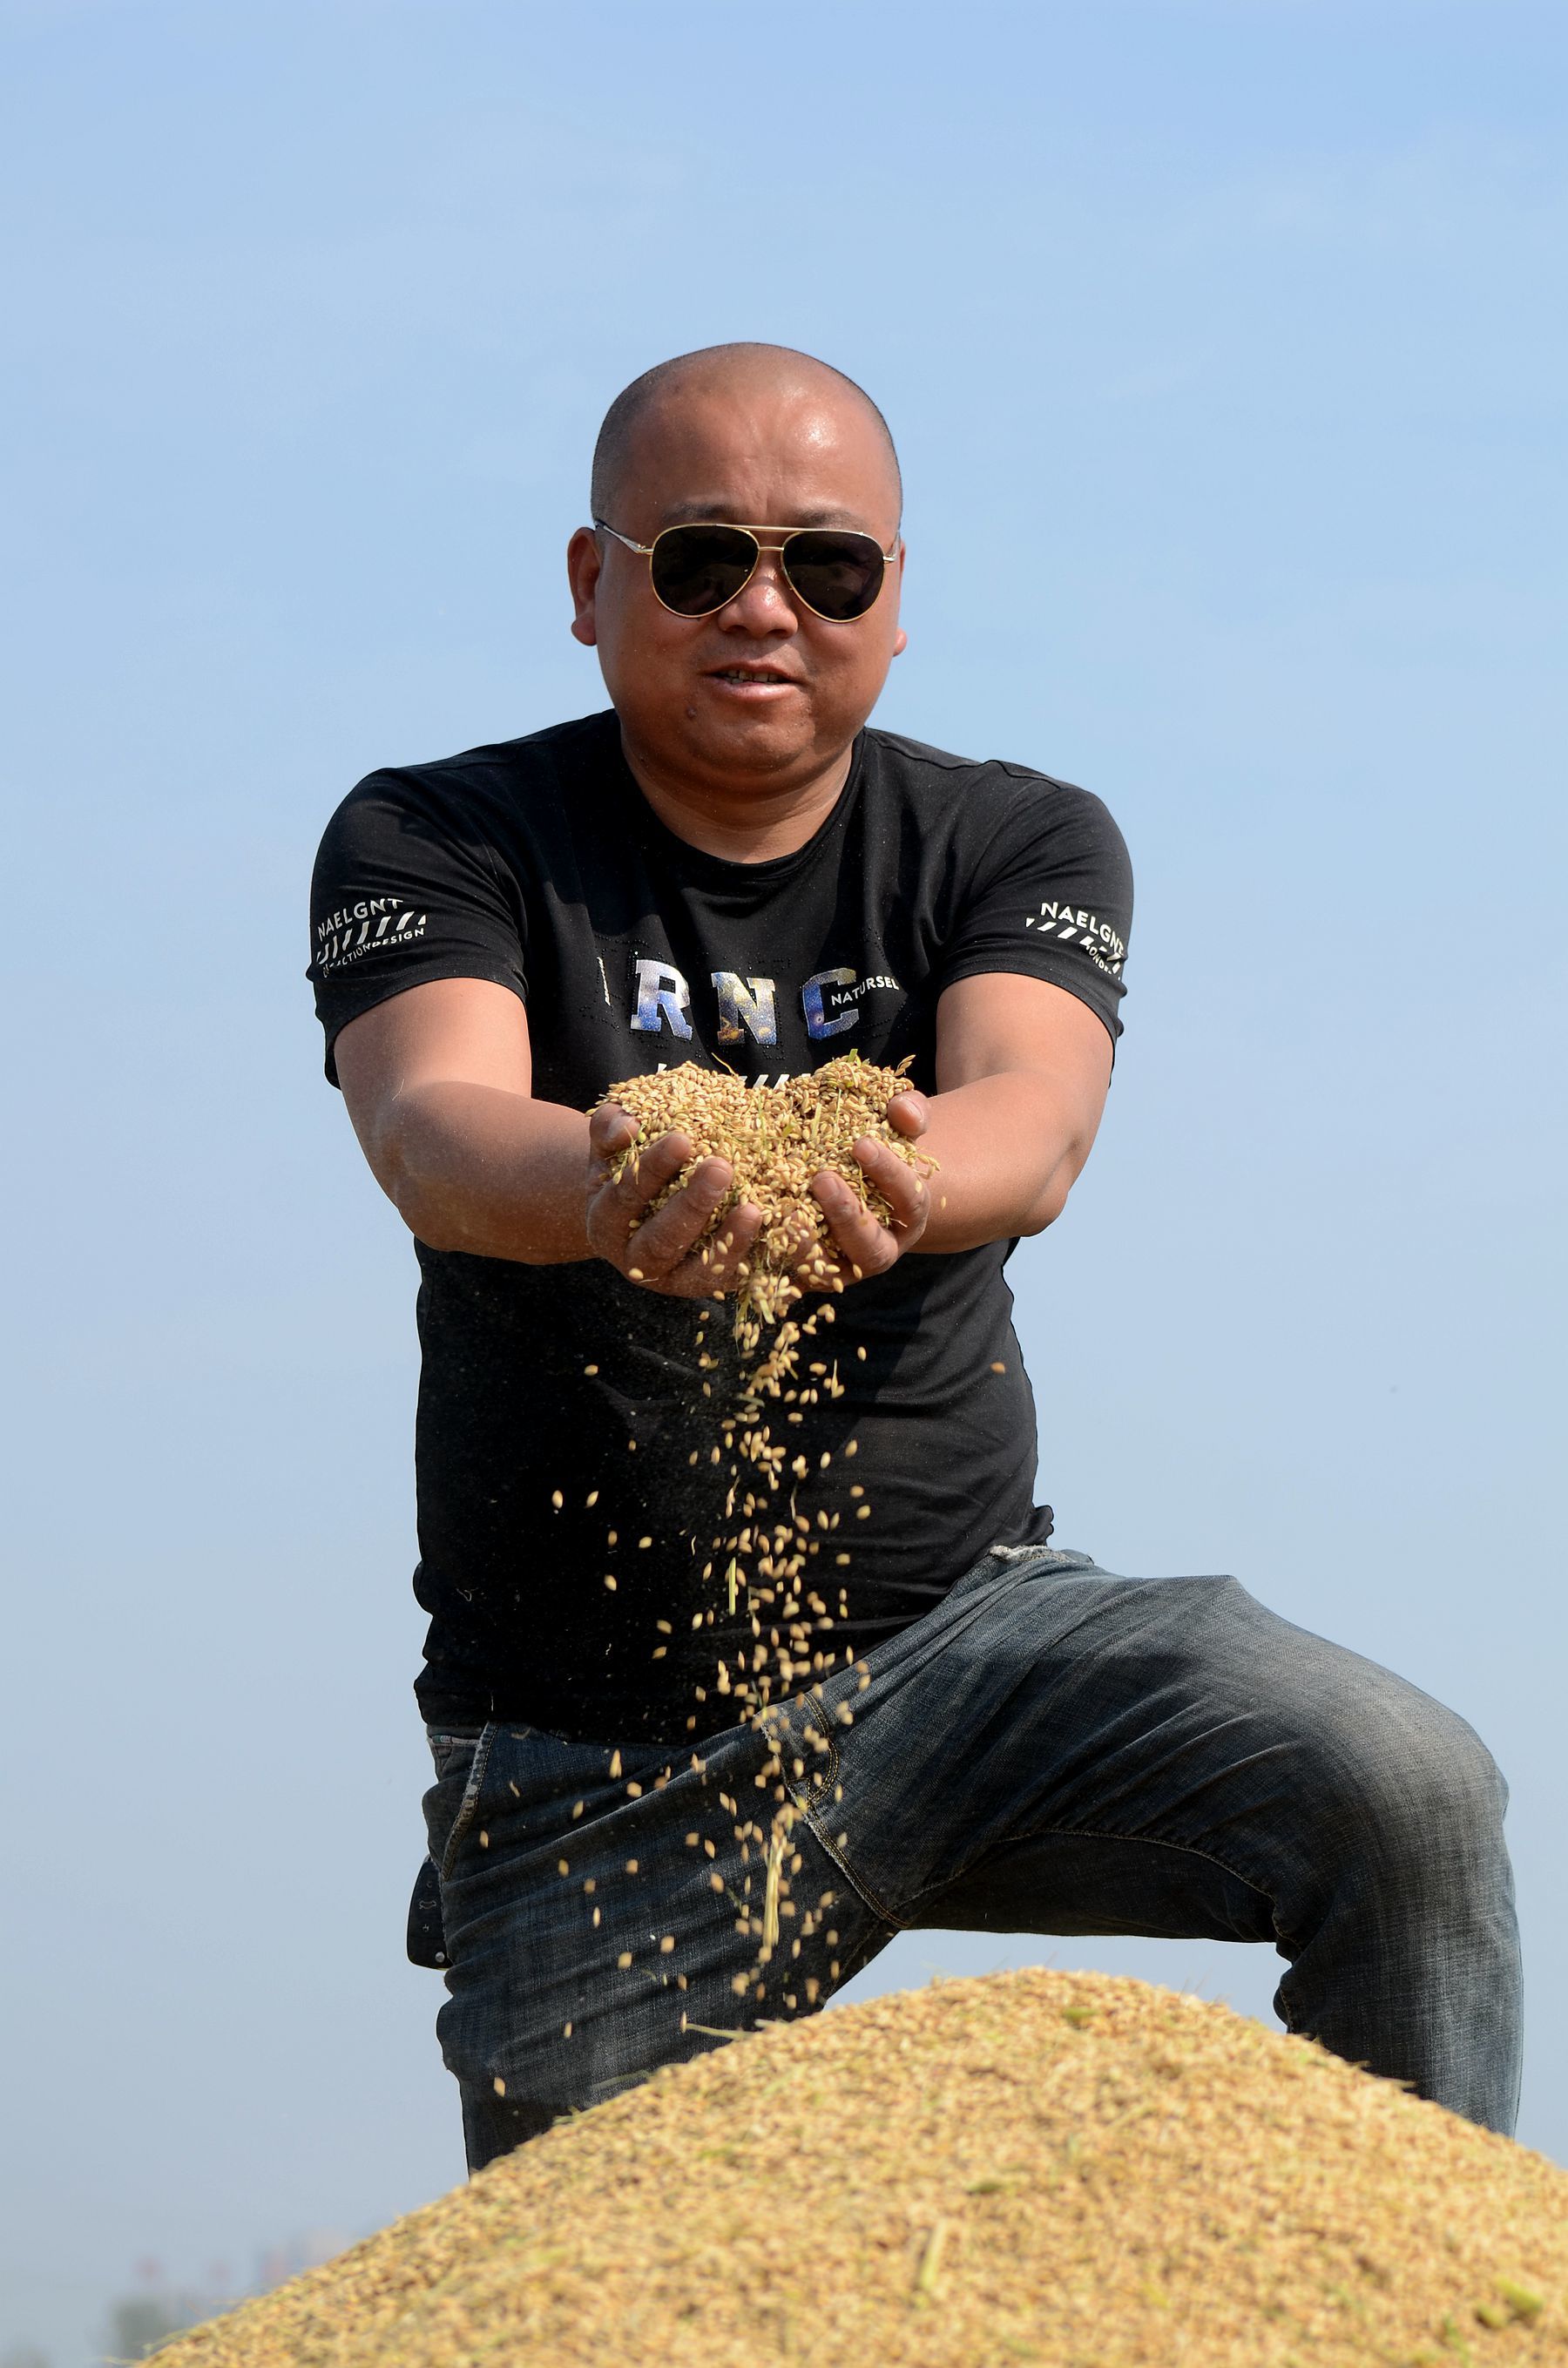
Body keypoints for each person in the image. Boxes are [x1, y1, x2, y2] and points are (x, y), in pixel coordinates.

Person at [308, 342, 1521, 2170]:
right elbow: (433, 1128)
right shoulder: (441, 832)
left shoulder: (1012, 834)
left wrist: (880, 1176)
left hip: (972, 1648)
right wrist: (623, 1179)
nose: (764, 608)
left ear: (893, 600)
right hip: (598, 1754)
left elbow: (1032, 1117)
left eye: (827, 565)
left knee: (1406, 1787)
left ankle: (1435, 2281)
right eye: (700, 559)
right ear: (589, 582)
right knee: (605, 2282)